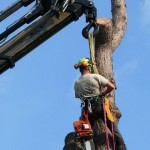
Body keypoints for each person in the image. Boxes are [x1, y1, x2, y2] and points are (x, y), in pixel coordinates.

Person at [74, 58, 127, 150]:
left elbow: (79, 96)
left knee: (86, 134)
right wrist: (102, 93)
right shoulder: (95, 77)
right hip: (99, 107)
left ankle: (88, 148)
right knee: (114, 129)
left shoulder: (76, 83)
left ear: (80, 69)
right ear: (89, 68)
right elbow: (111, 86)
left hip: (87, 111)